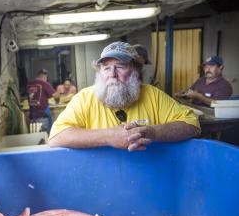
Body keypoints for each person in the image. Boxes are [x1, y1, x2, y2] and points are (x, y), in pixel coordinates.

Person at [48, 41, 200, 151]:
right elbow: (56, 137)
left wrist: (151, 132)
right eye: (106, 68)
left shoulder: (153, 95)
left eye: (120, 67)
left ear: (136, 71)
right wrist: (108, 136)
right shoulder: (85, 98)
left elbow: (192, 125)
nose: (112, 74)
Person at [27, 68, 59, 132]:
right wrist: (57, 101)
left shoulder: (29, 84)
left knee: (35, 137)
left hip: (32, 115)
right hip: (42, 115)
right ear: (45, 77)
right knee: (45, 136)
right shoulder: (44, 83)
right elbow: (56, 95)